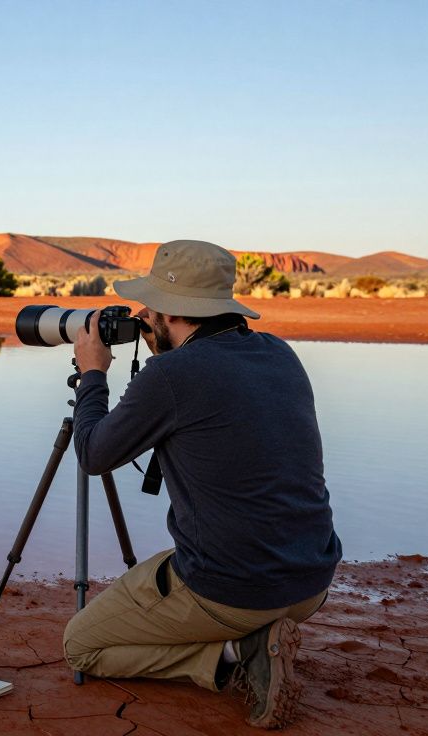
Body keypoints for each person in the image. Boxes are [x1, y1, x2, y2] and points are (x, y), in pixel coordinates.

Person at [61, 240, 342, 729]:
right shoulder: (279, 352)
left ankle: (239, 651)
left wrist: (93, 374)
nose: (144, 315)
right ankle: (257, 633)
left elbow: (93, 454)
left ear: (175, 312)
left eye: (153, 306)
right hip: (311, 584)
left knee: (82, 645)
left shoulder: (171, 375)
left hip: (232, 592)